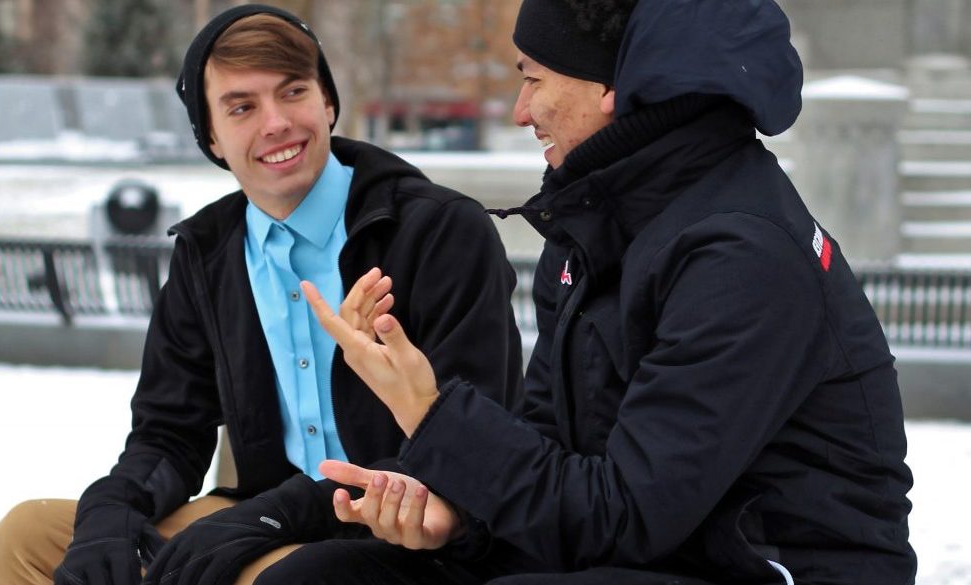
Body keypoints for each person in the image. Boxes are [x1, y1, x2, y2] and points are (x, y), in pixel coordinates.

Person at [305, 0, 919, 584]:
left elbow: (624, 516)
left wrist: (429, 411)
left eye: (535, 79)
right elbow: (552, 447)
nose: (522, 110)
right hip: (653, 554)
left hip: (772, 567)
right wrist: (459, 513)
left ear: (610, 86)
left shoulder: (742, 257)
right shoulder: (598, 224)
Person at [0, 4, 525, 585]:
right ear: (211, 137)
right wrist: (110, 515)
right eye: (241, 107)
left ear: (328, 102)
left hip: (400, 527)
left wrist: (270, 516)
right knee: (27, 538)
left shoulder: (437, 232)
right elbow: (169, 432)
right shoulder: (209, 253)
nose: (275, 123)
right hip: (262, 514)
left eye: (292, 92)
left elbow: (474, 440)